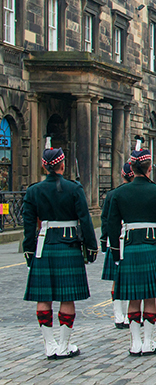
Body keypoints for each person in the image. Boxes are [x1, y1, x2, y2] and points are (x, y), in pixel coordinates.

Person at [23, 140, 98, 359]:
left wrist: (29, 251)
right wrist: (91, 247)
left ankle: (49, 346)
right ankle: (64, 346)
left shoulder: (34, 191)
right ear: (62, 165)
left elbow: (29, 226)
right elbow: (85, 219)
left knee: (44, 296)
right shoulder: (74, 188)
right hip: (69, 244)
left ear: (45, 167)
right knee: (67, 297)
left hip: (44, 245)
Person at [106, 144, 156, 356]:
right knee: (150, 298)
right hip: (152, 246)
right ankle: (149, 341)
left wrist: (115, 252)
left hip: (128, 247)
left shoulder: (119, 193)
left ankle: (135, 342)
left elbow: (112, 225)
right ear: (149, 168)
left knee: (132, 297)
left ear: (132, 168)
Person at [100, 162, 134, 330]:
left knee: (116, 280)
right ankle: (126, 314)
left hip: (115, 240)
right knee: (129, 280)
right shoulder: (132, 194)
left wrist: (104, 240)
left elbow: (105, 220)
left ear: (122, 175)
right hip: (129, 239)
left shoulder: (112, 194)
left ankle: (119, 314)